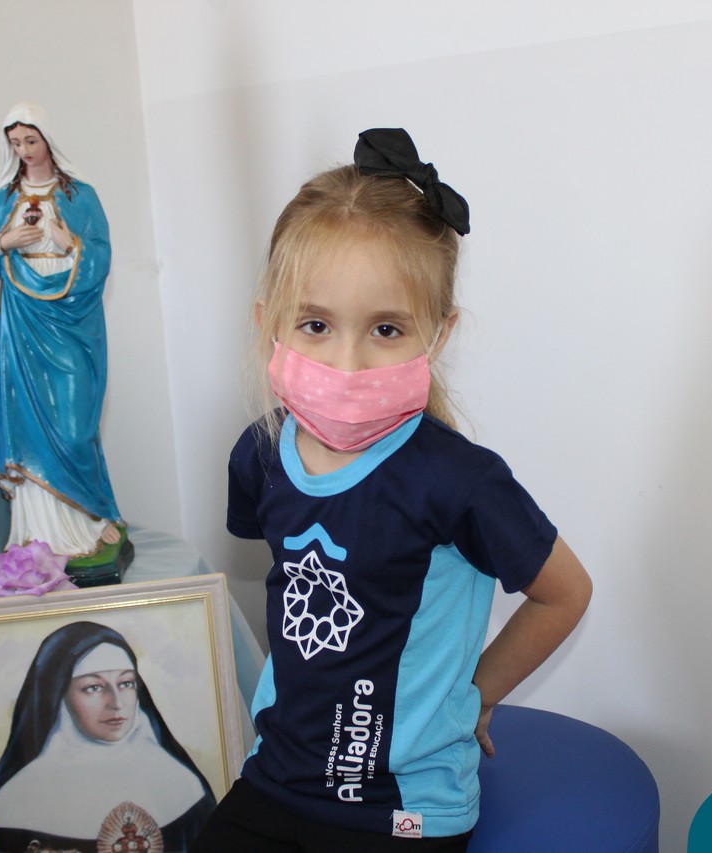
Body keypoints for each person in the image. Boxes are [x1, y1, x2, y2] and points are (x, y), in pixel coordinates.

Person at [194, 129, 593, 852]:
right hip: (275, 780)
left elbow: (565, 592)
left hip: (405, 810)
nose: (346, 363)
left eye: (385, 328)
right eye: (315, 324)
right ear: (268, 323)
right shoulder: (259, 454)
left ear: (437, 335)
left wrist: (475, 696)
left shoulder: (459, 480)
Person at [0, 103, 126, 561]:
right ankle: (39, 531)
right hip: (20, 321)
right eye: (15, 143)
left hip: (68, 320)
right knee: (27, 421)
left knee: (75, 427)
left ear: (48, 140)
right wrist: (3, 243)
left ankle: (89, 516)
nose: (23, 150)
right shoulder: (3, 198)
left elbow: (100, 254)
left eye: (30, 140)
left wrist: (69, 243)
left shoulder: (80, 195)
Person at [0, 621, 218, 853]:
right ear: (58, 695)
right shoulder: (12, 804)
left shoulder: (183, 785)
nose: (116, 703)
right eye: (94, 687)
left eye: (126, 683)